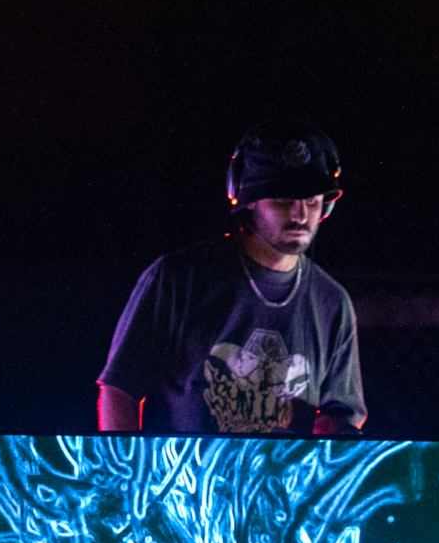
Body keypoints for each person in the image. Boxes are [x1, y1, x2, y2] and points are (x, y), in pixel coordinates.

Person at [96, 120, 365, 435]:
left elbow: (339, 417)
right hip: (186, 483)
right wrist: (130, 477)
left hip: (279, 485)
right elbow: (119, 390)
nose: (300, 215)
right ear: (247, 198)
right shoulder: (177, 280)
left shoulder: (332, 303)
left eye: (312, 201)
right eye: (283, 201)